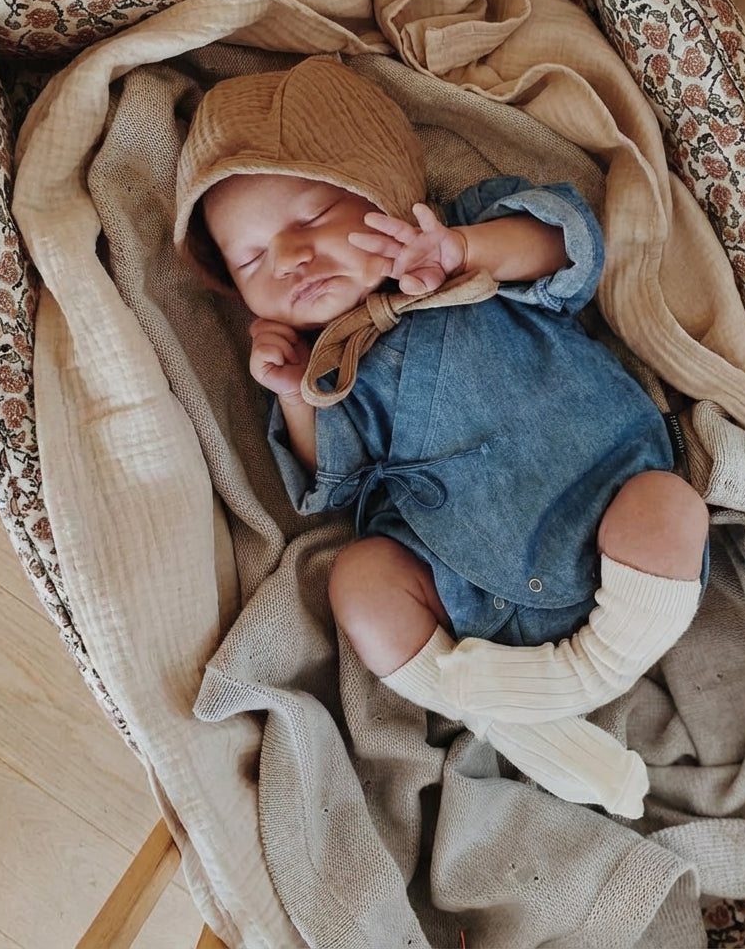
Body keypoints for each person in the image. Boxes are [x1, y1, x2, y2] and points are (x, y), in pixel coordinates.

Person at [174, 56, 709, 818]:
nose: (290, 259)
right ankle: (504, 707)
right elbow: (332, 482)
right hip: (464, 586)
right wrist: (294, 395)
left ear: (384, 188)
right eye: (252, 259)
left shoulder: (469, 245)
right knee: (358, 578)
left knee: (671, 505)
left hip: (604, 508)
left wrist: (465, 249)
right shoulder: (330, 368)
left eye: (312, 219)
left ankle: (585, 674)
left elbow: (566, 247)